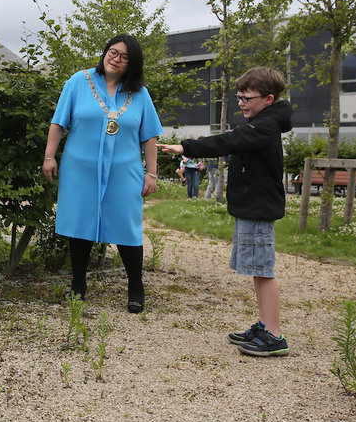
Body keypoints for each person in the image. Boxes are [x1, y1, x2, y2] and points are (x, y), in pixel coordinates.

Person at [158, 66, 292, 357]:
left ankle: (275, 336)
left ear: (268, 99)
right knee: (257, 270)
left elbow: (228, 141)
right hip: (251, 206)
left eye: (247, 98)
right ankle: (265, 325)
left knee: (263, 271)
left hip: (258, 208)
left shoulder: (265, 127)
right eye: (239, 97)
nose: (241, 103)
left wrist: (187, 147)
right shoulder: (265, 122)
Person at [43, 35, 163, 313]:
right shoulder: (78, 81)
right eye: (112, 52)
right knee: (81, 224)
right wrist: (50, 157)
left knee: (127, 225)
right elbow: (58, 122)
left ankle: (136, 287)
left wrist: (152, 173)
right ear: (105, 52)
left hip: (125, 170)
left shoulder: (139, 93)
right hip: (79, 169)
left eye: (124, 56)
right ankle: (78, 285)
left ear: (132, 64)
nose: (116, 58)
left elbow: (150, 137)